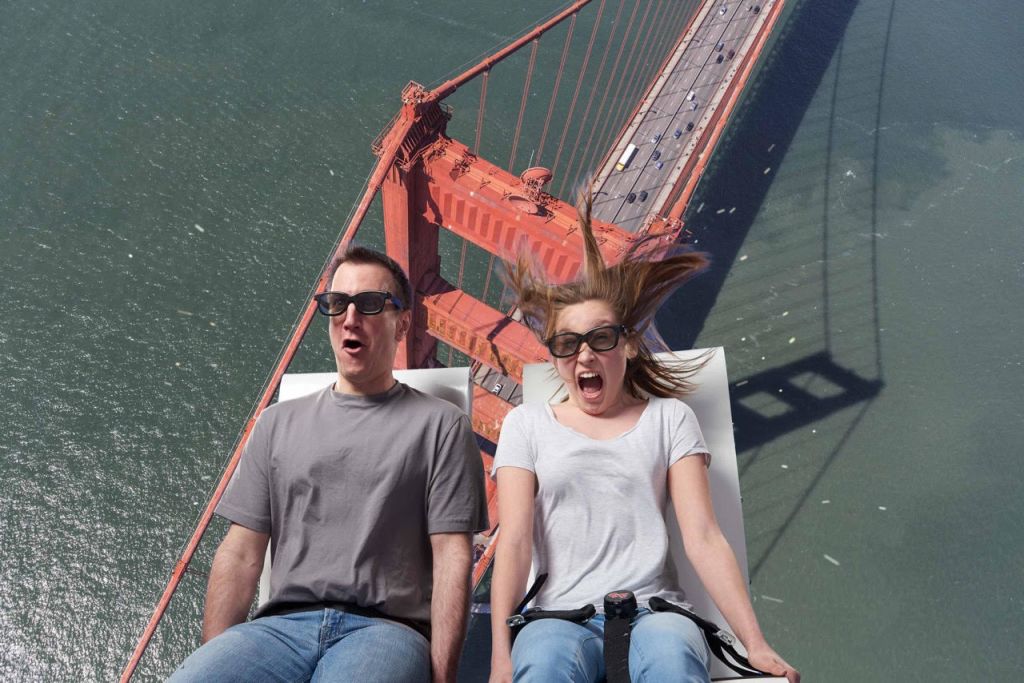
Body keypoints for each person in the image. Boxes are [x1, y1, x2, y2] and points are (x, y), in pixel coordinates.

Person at [488, 200, 799, 683]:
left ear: (629, 345)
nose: (584, 355)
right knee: (543, 667)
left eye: (601, 339)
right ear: (553, 357)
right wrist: (500, 657)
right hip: (557, 619)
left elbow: (703, 536)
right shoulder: (525, 425)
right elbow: (513, 542)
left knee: (673, 663)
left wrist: (754, 645)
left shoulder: (670, 419)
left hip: (656, 613)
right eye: (567, 344)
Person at [171, 247, 488, 683]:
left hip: (385, 630)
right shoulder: (275, 424)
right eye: (337, 303)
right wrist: (217, 657)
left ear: (403, 324)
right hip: (279, 629)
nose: (349, 318)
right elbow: (241, 552)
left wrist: (443, 679)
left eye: (370, 303)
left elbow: (452, 556)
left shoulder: (442, 426)